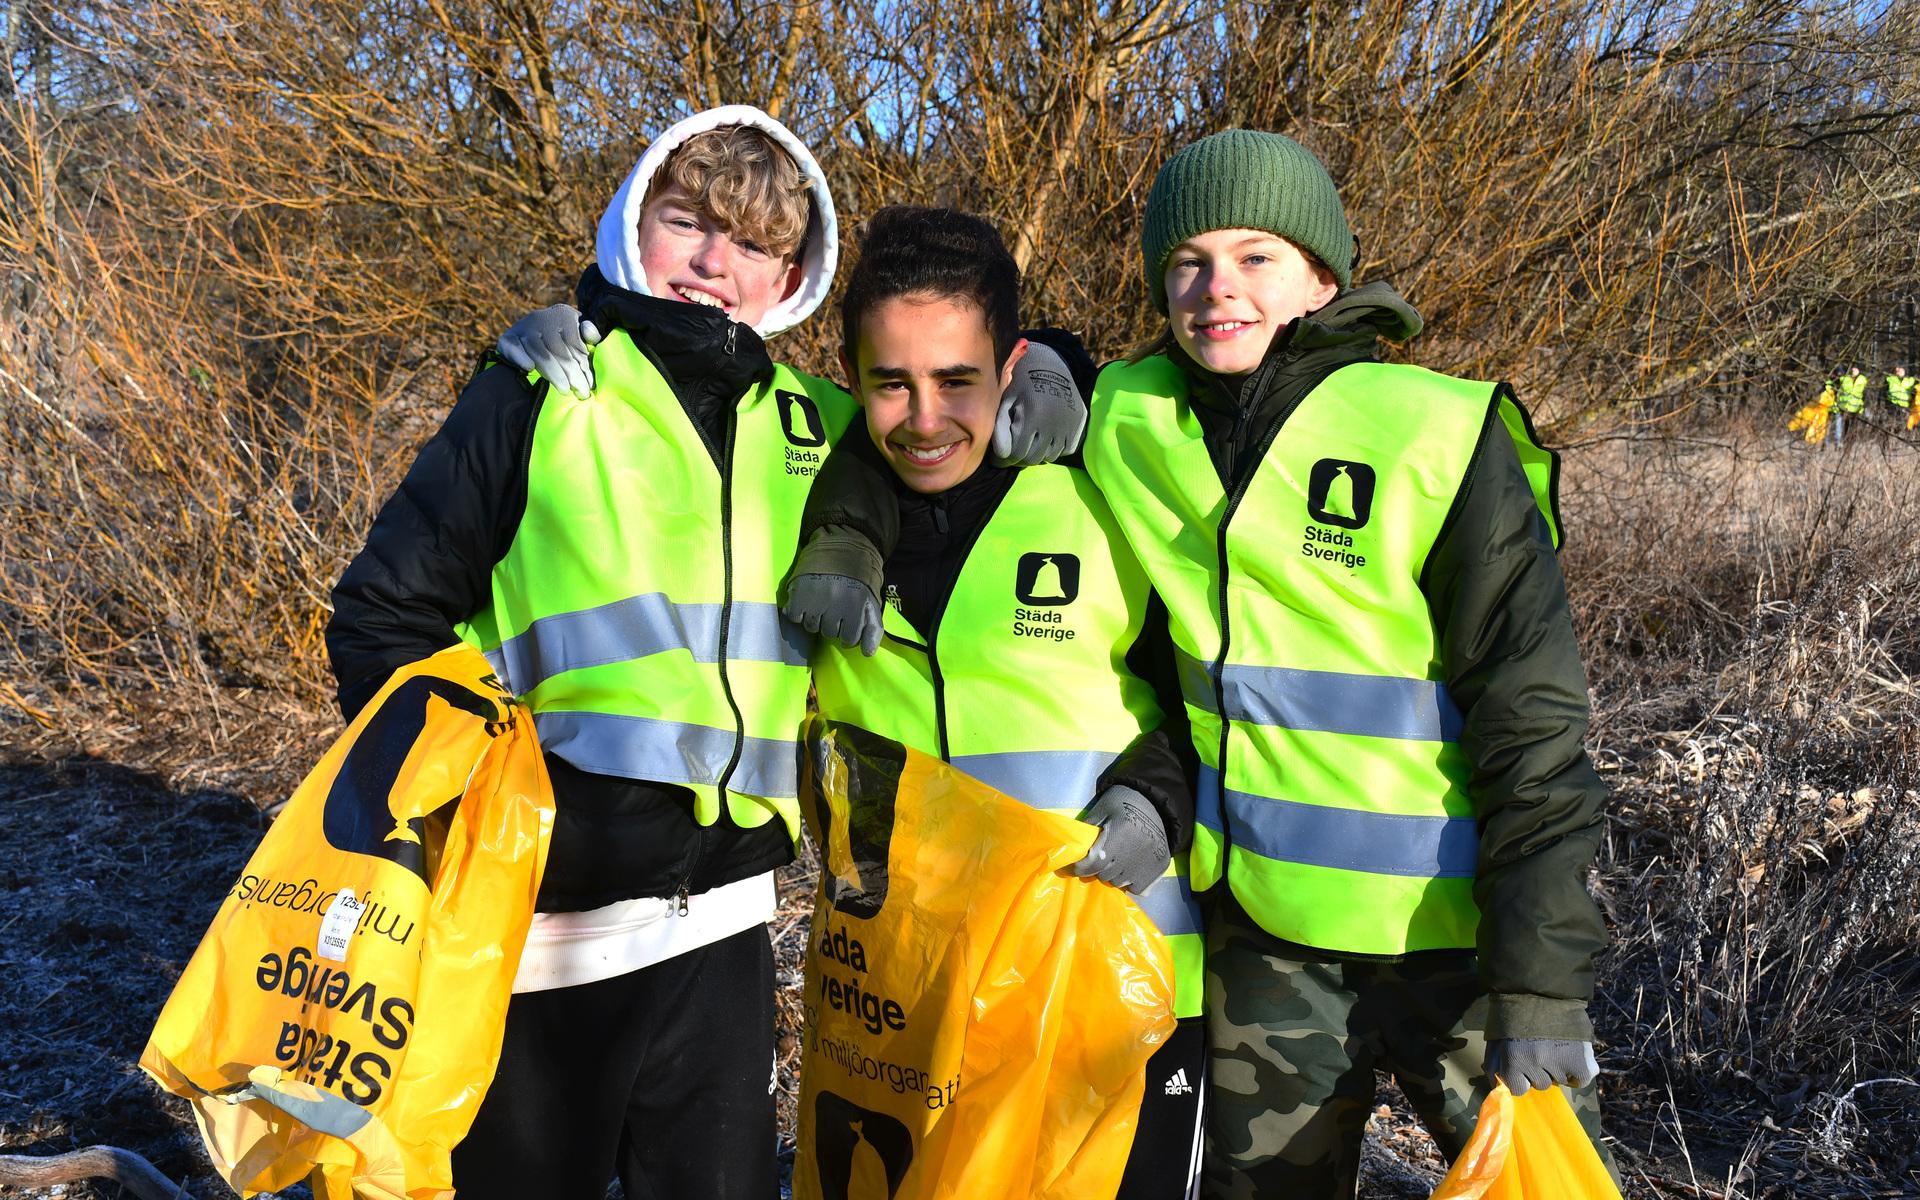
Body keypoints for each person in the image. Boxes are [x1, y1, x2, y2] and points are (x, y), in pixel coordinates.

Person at [774, 129, 1617, 1198]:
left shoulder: (1438, 435)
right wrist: (1047, 380)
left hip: (1461, 951)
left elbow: (1535, 728)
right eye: (1188, 263)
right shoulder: (1131, 413)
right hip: (1268, 947)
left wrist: (1543, 986)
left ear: (1322, 272)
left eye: (1257, 256)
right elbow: (925, 400)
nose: (1219, 289)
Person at [326, 104, 858, 1200]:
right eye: (688, 223)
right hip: (544, 934)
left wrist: (1046, 370)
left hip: (723, 927)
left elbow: (954, 421)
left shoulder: (821, 425)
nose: (716, 264)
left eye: (755, 244)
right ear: (631, 219)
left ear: (791, 273)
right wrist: (482, 813)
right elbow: (383, 617)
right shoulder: (540, 390)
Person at [801, 205, 1208, 1197]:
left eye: (958, 380)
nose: (926, 418)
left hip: (1121, 984)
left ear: (1013, 365)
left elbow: (1225, 694)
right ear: (850, 379)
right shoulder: (809, 504)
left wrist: (1162, 797)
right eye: (891, 384)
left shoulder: (1107, 494)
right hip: (909, 1002)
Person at [1835, 365, 1867, 446]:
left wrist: (1862, 408)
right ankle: (1839, 444)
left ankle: (1849, 444)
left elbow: (1865, 395)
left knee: (1852, 430)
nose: (1853, 370)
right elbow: (1837, 392)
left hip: (1856, 409)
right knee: (1840, 427)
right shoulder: (1844, 378)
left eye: (1856, 368)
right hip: (1842, 408)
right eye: (1852, 368)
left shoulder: (1863, 380)